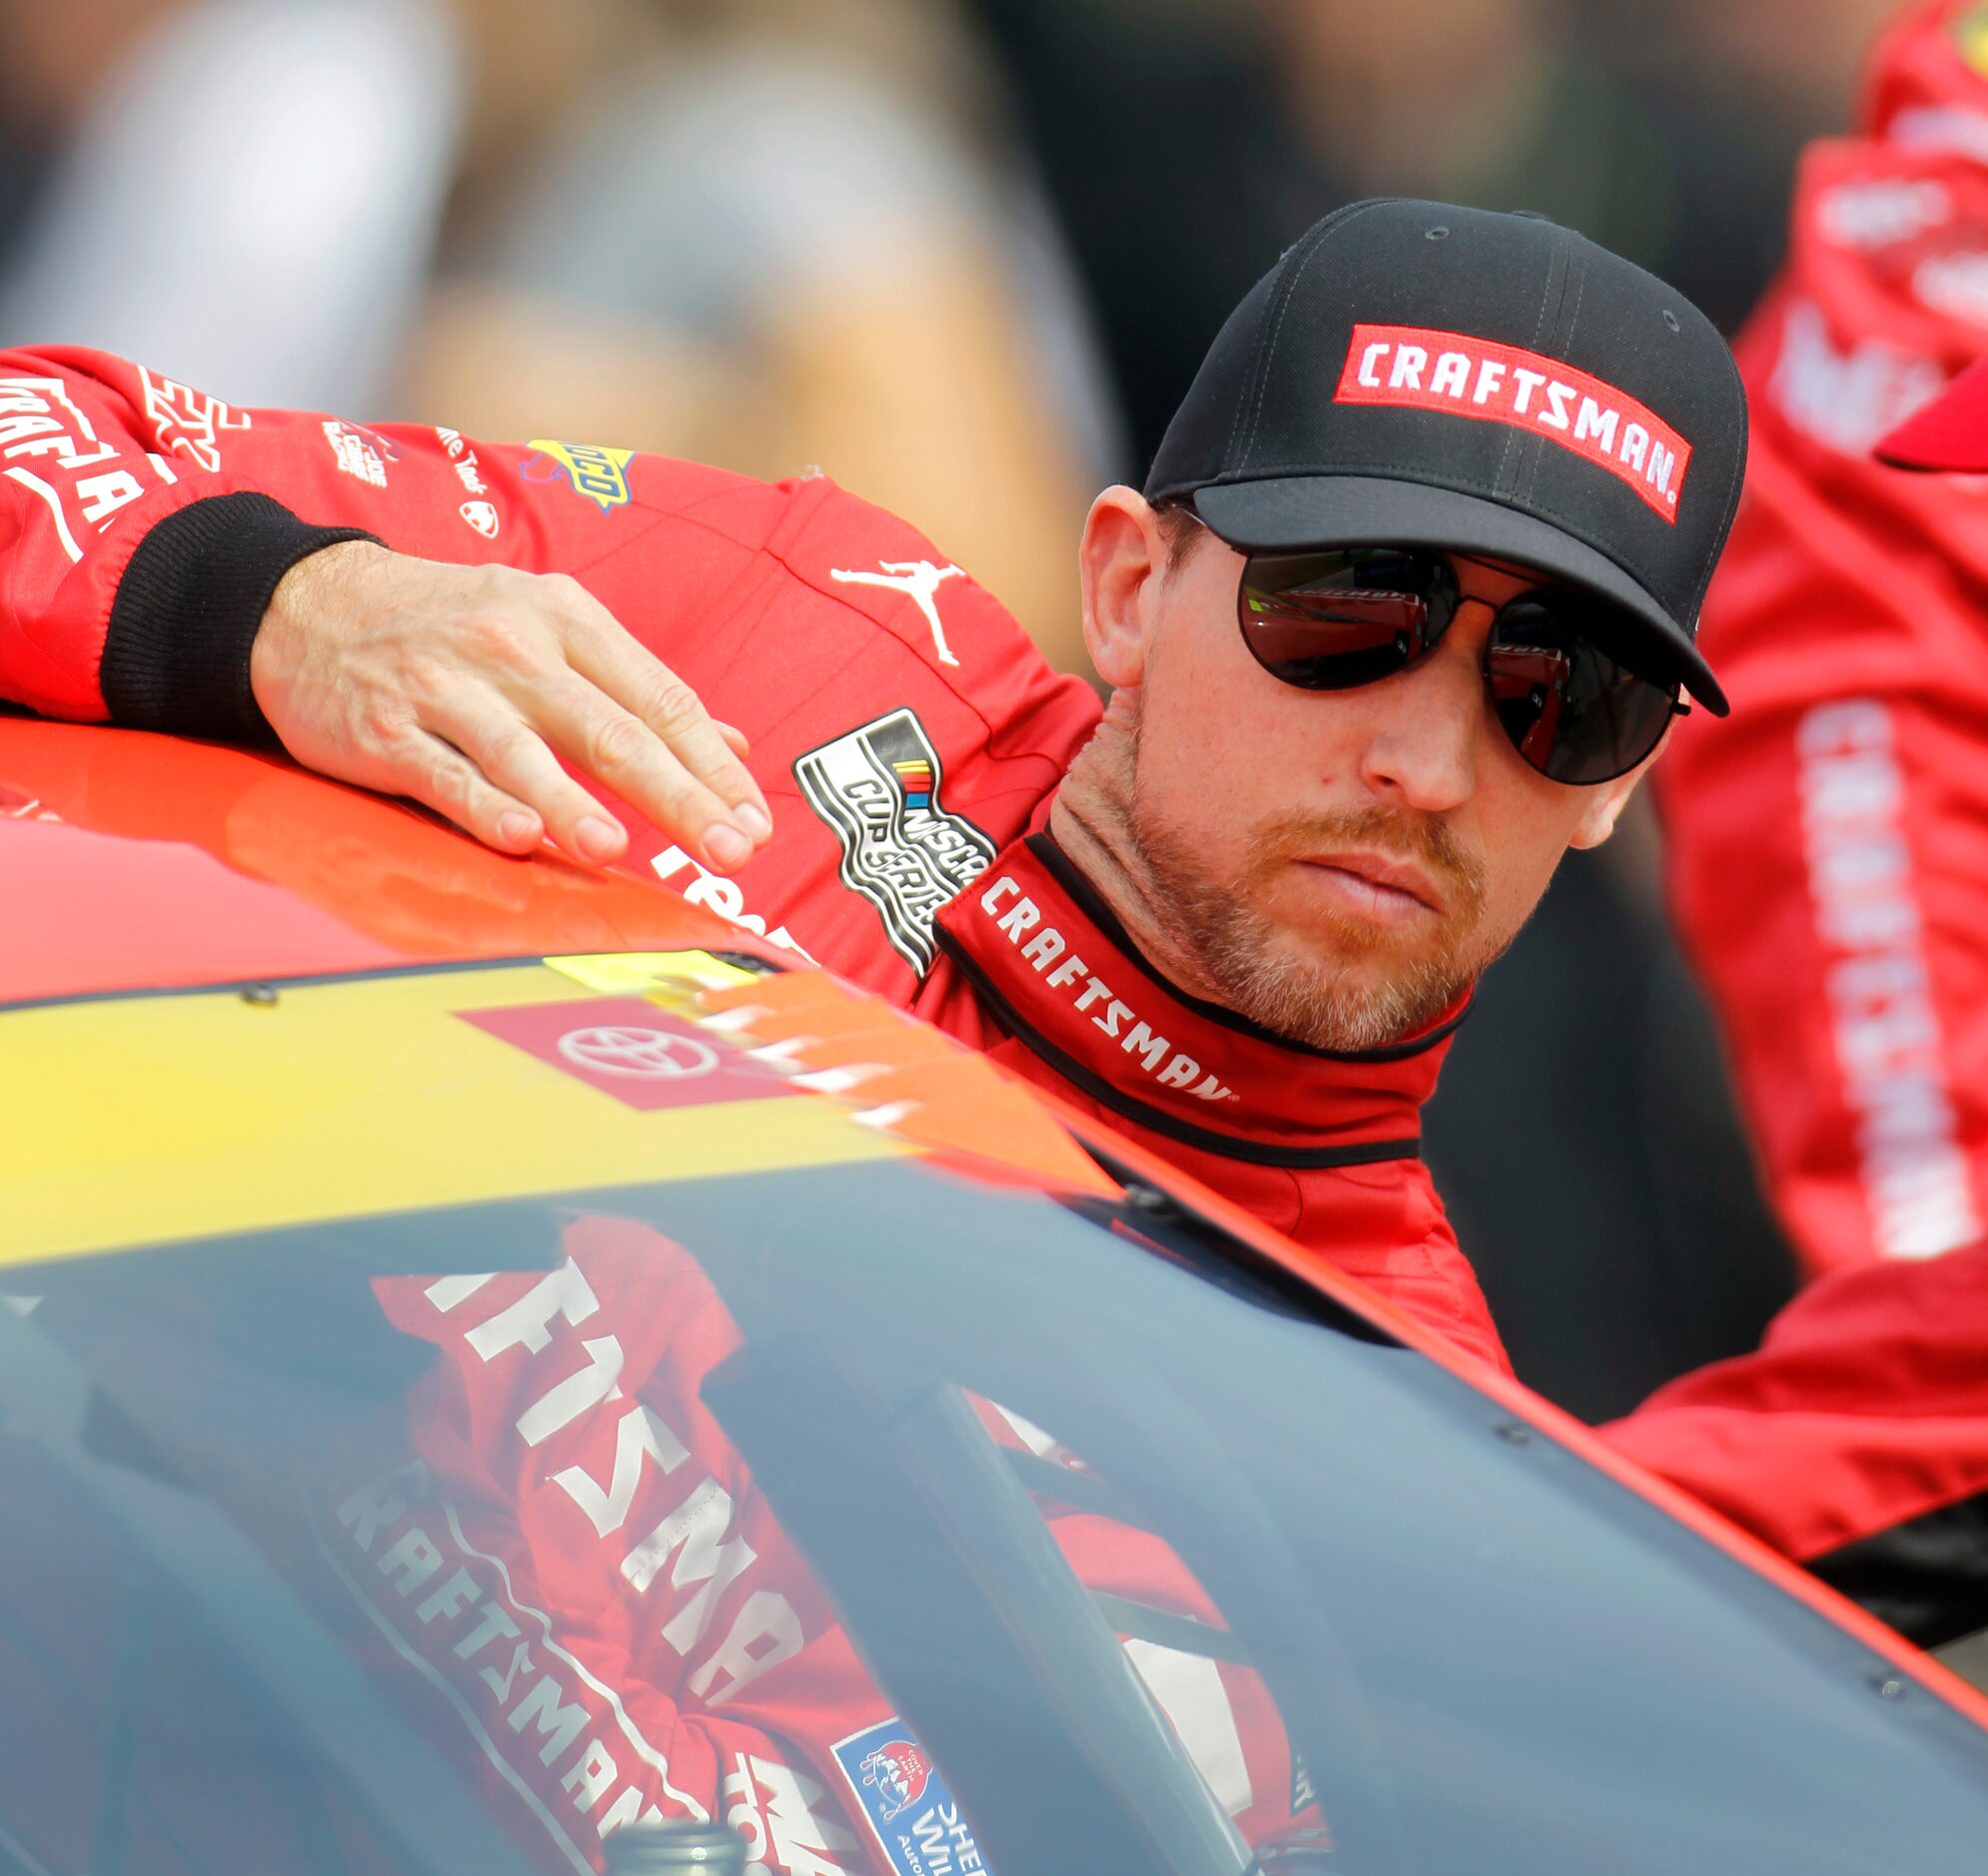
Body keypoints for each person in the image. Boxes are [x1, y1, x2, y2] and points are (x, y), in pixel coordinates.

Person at [0, 199, 1746, 1379]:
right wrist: (283, 612)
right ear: (1128, 589)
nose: (1427, 765)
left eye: (1559, 695)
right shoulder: (770, 618)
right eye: (1351, 608)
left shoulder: (1397, 1402)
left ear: (1624, 785)